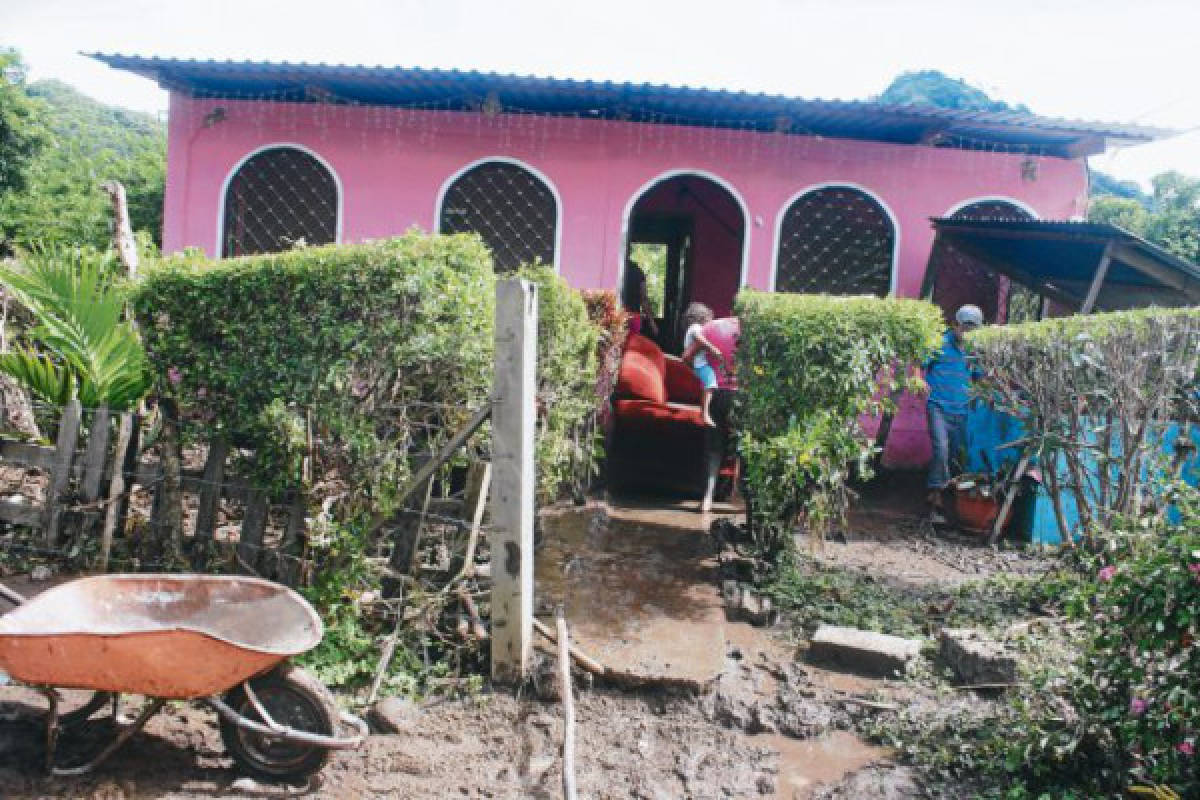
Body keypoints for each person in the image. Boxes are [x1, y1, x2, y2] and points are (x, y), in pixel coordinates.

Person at [924, 304, 984, 524]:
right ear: (955, 324)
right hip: (937, 406)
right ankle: (935, 497)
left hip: (961, 410)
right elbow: (920, 364)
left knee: (953, 456)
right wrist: (920, 381)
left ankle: (941, 497)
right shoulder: (939, 343)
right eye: (964, 327)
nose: (967, 332)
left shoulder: (975, 350)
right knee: (941, 449)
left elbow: (979, 378)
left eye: (972, 328)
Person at [681, 302, 725, 429]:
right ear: (701, 317)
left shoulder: (693, 327)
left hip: (697, 364)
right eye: (708, 320)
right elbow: (699, 339)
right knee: (711, 384)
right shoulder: (695, 327)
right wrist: (712, 349)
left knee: (707, 385)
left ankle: (703, 411)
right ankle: (705, 413)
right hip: (699, 364)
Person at [621, 262, 658, 339]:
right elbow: (643, 298)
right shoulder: (638, 271)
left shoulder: (616, 266)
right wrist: (652, 323)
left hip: (618, 315)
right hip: (634, 316)